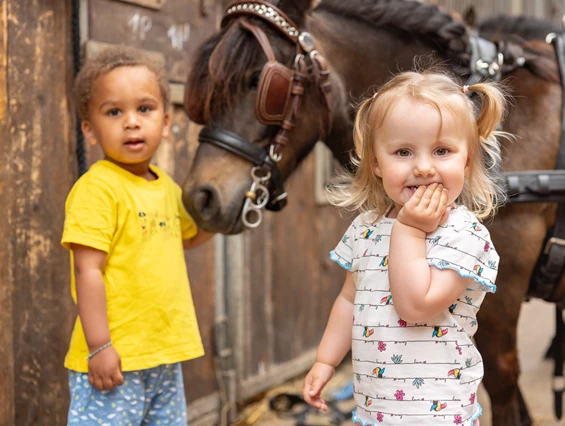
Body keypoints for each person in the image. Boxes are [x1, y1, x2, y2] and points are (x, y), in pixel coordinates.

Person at [302, 69, 510, 426]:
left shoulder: (464, 235)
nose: (424, 167)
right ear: (377, 164)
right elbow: (350, 300)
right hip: (375, 409)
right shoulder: (366, 228)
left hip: (438, 412)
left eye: (442, 150)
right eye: (403, 152)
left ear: (467, 160)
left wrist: (410, 231)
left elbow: (415, 306)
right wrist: (326, 360)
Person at [62, 45, 214, 425]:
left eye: (144, 109)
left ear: (165, 121)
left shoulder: (167, 188)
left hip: (162, 355)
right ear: (89, 130)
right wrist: (100, 347)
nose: (131, 122)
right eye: (114, 112)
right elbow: (88, 271)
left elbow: (188, 236)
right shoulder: (97, 189)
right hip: (114, 358)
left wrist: (223, 215)